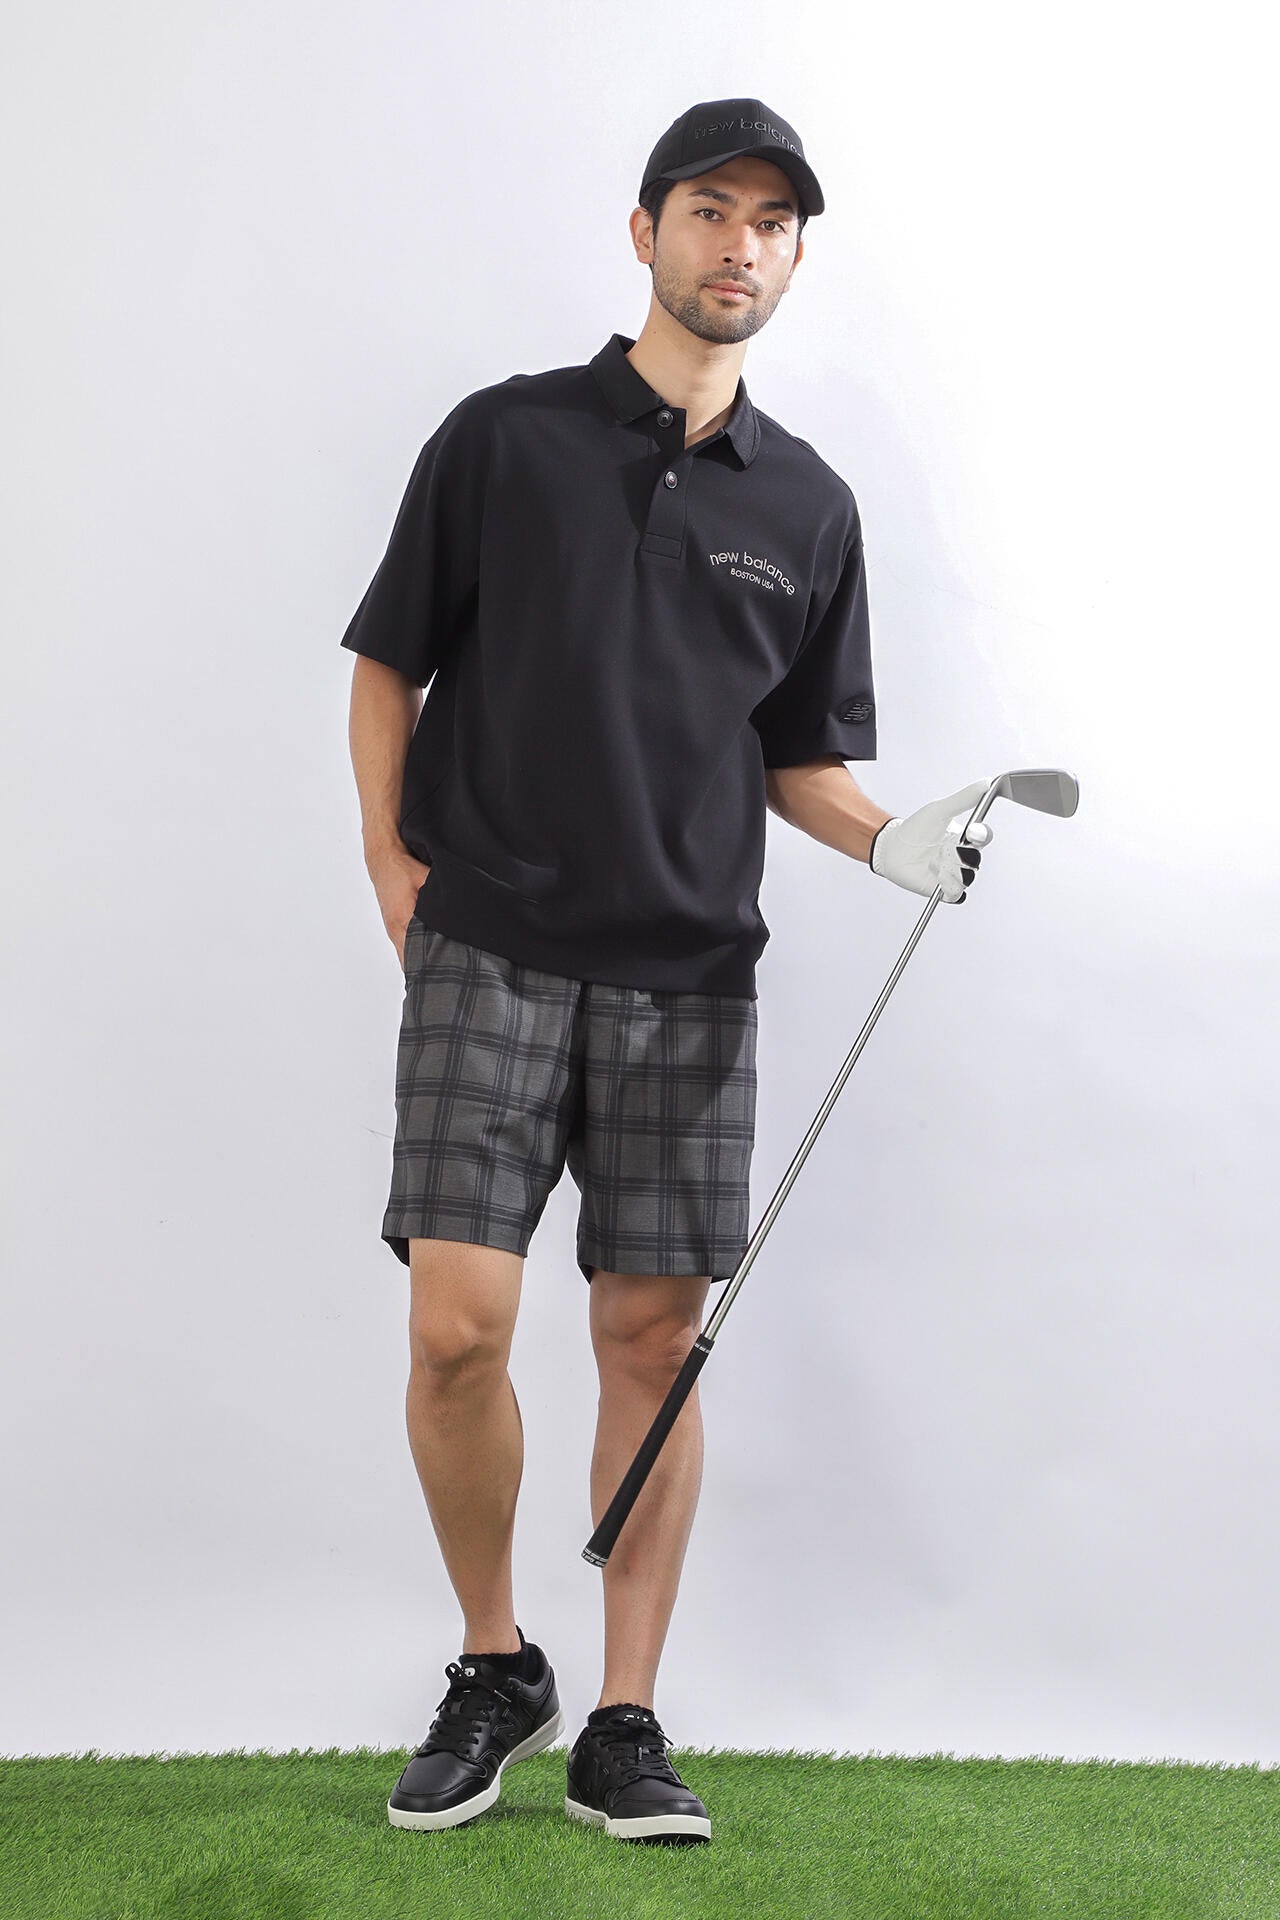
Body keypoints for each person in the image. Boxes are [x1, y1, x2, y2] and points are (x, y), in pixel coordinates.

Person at [341, 95, 988, 1847]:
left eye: (774, 223)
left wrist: (896, 843)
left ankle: (623, 1717)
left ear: (795, 257)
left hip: (691, 975)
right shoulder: (505, 437)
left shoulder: (813, 505)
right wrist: (395, 870)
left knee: (652, 1340)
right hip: (489, 943)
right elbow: (389, 660)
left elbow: (800, 762)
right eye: (711, 210)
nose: (740, 246)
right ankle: (498, 1665)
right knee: (457, 1331)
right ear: (646, 232)